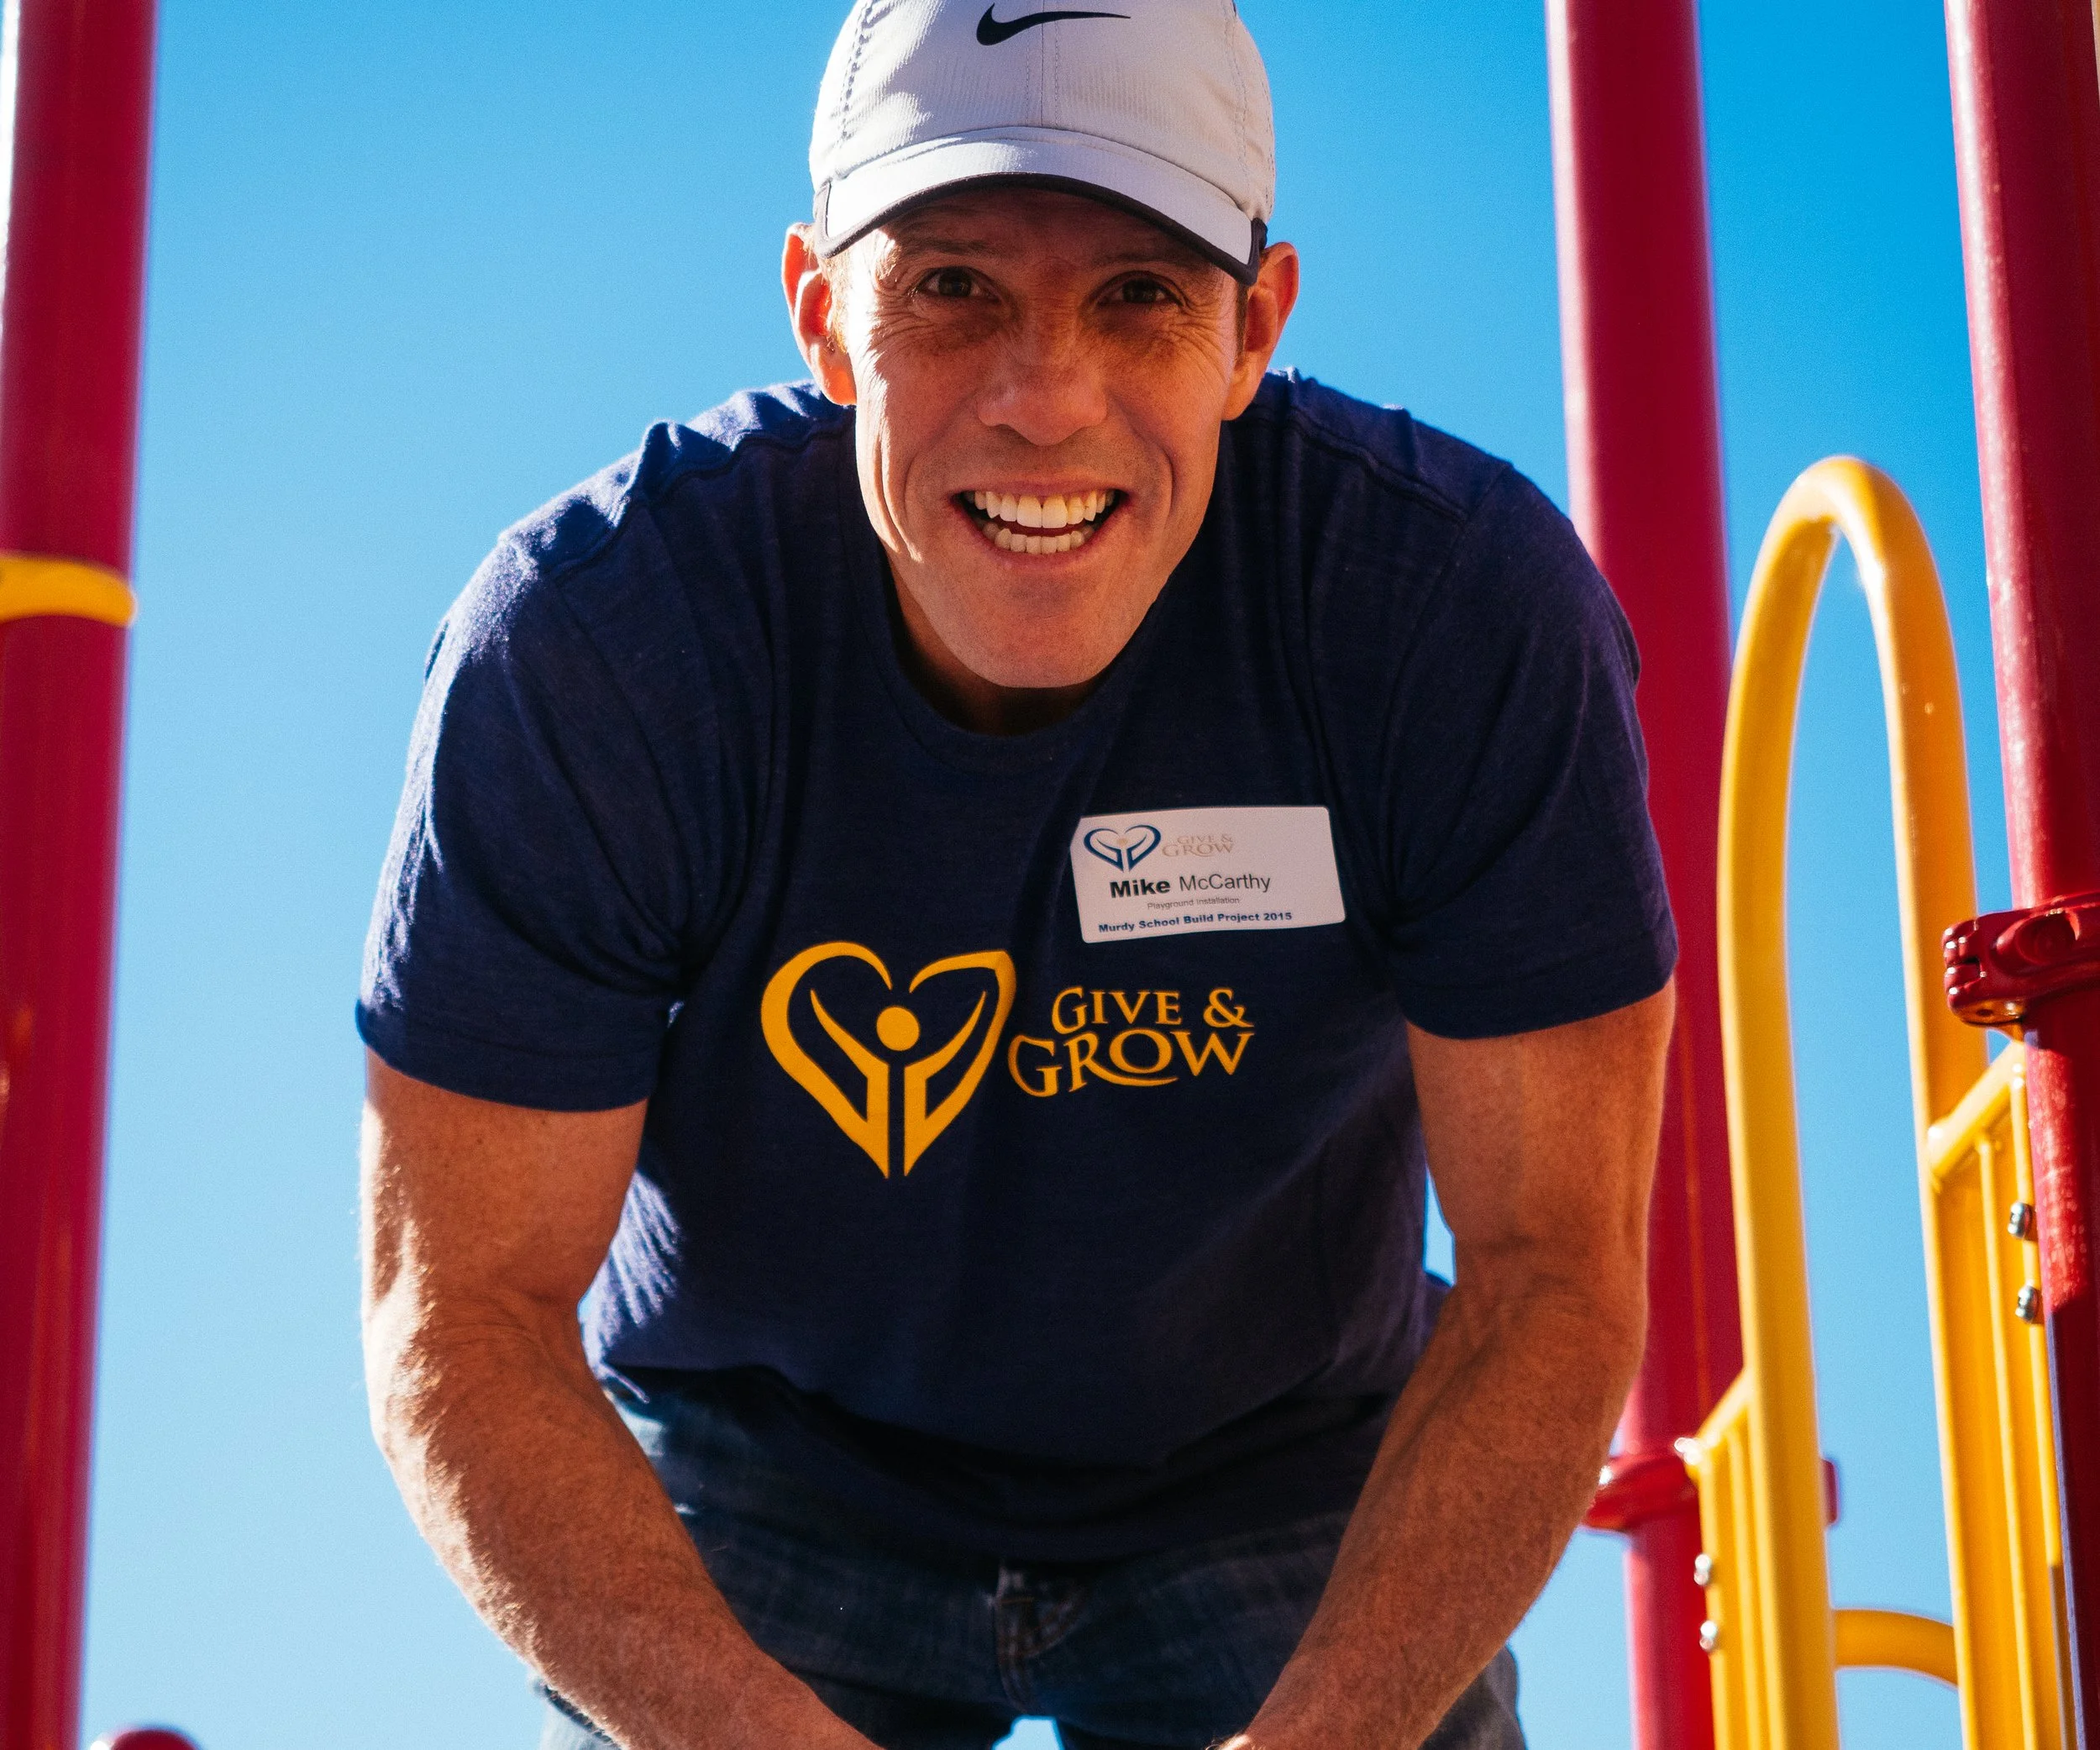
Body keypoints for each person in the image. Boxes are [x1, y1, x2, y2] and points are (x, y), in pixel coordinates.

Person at [356, 3, 1677, 1747]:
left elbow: (1548, 1275)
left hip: (1283, 1461)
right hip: (767, 1460)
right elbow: (462, 1316)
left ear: (1254, 328)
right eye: (954, 289)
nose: (1044, 399)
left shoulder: (1448, 617)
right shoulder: (600, 654)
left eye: (1138, 296)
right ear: (823, 313)